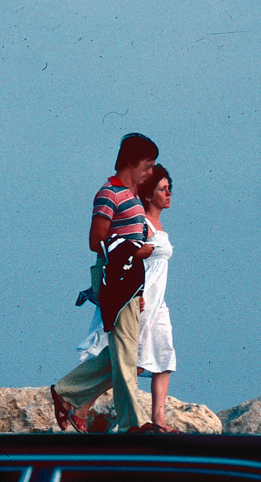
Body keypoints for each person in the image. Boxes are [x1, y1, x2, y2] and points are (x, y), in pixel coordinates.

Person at [50, 134, 157, 434]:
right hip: (115, 280)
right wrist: (137, 251)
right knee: (124, 353)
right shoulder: (109, 193)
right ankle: (133, 423)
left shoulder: (132, 196)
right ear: (132, 162)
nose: (150, 172)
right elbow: (96, 241)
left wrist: (139, 288)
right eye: (147, 166)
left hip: (129, 282)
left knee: (122, 352)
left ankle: (66, 391)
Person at [74, 164, 176, 430]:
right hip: (140, 298)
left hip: (158, 301)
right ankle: (81, 405)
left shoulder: (159, 225)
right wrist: (135, 293)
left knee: (164, 359)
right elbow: (119, 255)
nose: (168, 194)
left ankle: (159, 421)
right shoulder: (138, 222)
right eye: (162, 189)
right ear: (148, 194)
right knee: (133, 363)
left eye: (169, 189)